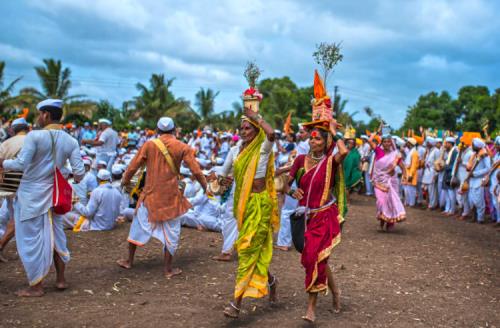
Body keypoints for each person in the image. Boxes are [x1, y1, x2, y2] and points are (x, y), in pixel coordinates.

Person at [0, 99, 85, 297]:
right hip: (55, 196)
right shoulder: (70, 140)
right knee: (57, 236)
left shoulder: (35, 136)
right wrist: (61, 173)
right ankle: (61, 280)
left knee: (31, 240)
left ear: (46, 115)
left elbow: (21, 164)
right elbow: (79, 174)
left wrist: (4, 163)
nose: (38, 118)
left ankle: (36, 286)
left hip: (31, 196)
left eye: (39, 114)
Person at [287, 71, 347, 323]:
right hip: (305, 218)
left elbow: (343, 150)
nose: (314, 142)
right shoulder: (300, 160)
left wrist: (334, 130)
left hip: (324, 217)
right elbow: (284, 183)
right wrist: (291, 190)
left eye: (319, 139)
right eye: (311, 139)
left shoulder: (331, 162)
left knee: (314, 259)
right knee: (315, 260)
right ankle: (336, 292)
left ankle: (311, 308)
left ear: (325, 141)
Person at [117, 117, 207, 278]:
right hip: (171, 198)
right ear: (174, 130)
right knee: (172, 232)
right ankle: (167, 269)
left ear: (157, 130)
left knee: (137, 226)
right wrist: (206, 187)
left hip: (149, 195)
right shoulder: (183, 147)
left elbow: (133, 166)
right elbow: (196, 171)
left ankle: (129, 261)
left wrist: (124, 181)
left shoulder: (149, 145)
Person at [220, 107, 279, 318]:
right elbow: (225, 175)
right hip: (242, 205)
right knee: (252, 251)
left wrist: (257, 117)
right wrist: (220, 180)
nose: (244, 131)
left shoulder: (263, 148)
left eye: (248, 128)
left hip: (260, 205)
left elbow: (272, 134)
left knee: (246, 251)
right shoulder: (235, 151)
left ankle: (235, 304)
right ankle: (271, 281)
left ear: (256, 130)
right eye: (242, 128)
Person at [0, 117, 29, 262]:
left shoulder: (5, 143)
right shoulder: (31, 141)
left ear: (13, 130)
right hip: (25, 184)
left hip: (7, 184)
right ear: (27, 128)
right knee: (18, 219)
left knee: (15, 216)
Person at [367, 134, 407, 231]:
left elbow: (402, 167)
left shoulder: (395, 155)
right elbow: (370, 141)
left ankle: (390, 224)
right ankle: (381, 222)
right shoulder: (378, 151)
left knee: (390, 202)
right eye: (384, 141)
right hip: (378, 182)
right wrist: (377, 132)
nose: (386, 143)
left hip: (391, 182)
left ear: (391, 143)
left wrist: (405, 175)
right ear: (382, 143)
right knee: (381, 202)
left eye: (388, 141)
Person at [467, 138, 491, 223]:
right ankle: (474, 217)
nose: (472, 146)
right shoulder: (474, 154)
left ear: (477, 146)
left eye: (473, 145)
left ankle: (480, 218)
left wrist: (475, 174)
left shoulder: (485, 155)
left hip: (479, 180)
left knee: (479, 201)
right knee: (471, 200)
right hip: (472, 180)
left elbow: (488, 168)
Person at [422, 137, 439, 210]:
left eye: (428, 142)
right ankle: (428, 203)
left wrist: (435, 174)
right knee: (427, 189)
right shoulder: (428, 151)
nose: (427, 144)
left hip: (432, 172)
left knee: (432, 190)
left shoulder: (436, 151)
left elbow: (437, 163)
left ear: (431, 143)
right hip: (427, 172)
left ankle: (433, 205)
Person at [402, 138, 419, 207]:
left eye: (408, 143)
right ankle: (408, 202)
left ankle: (412, 203)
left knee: (411, 190)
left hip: (411, 173)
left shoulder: (414, 153)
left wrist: (411, 175)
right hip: (407, 172)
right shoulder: (410, 151)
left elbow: (414, 165)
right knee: (407, 189)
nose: (407, 144)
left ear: (411, 144)